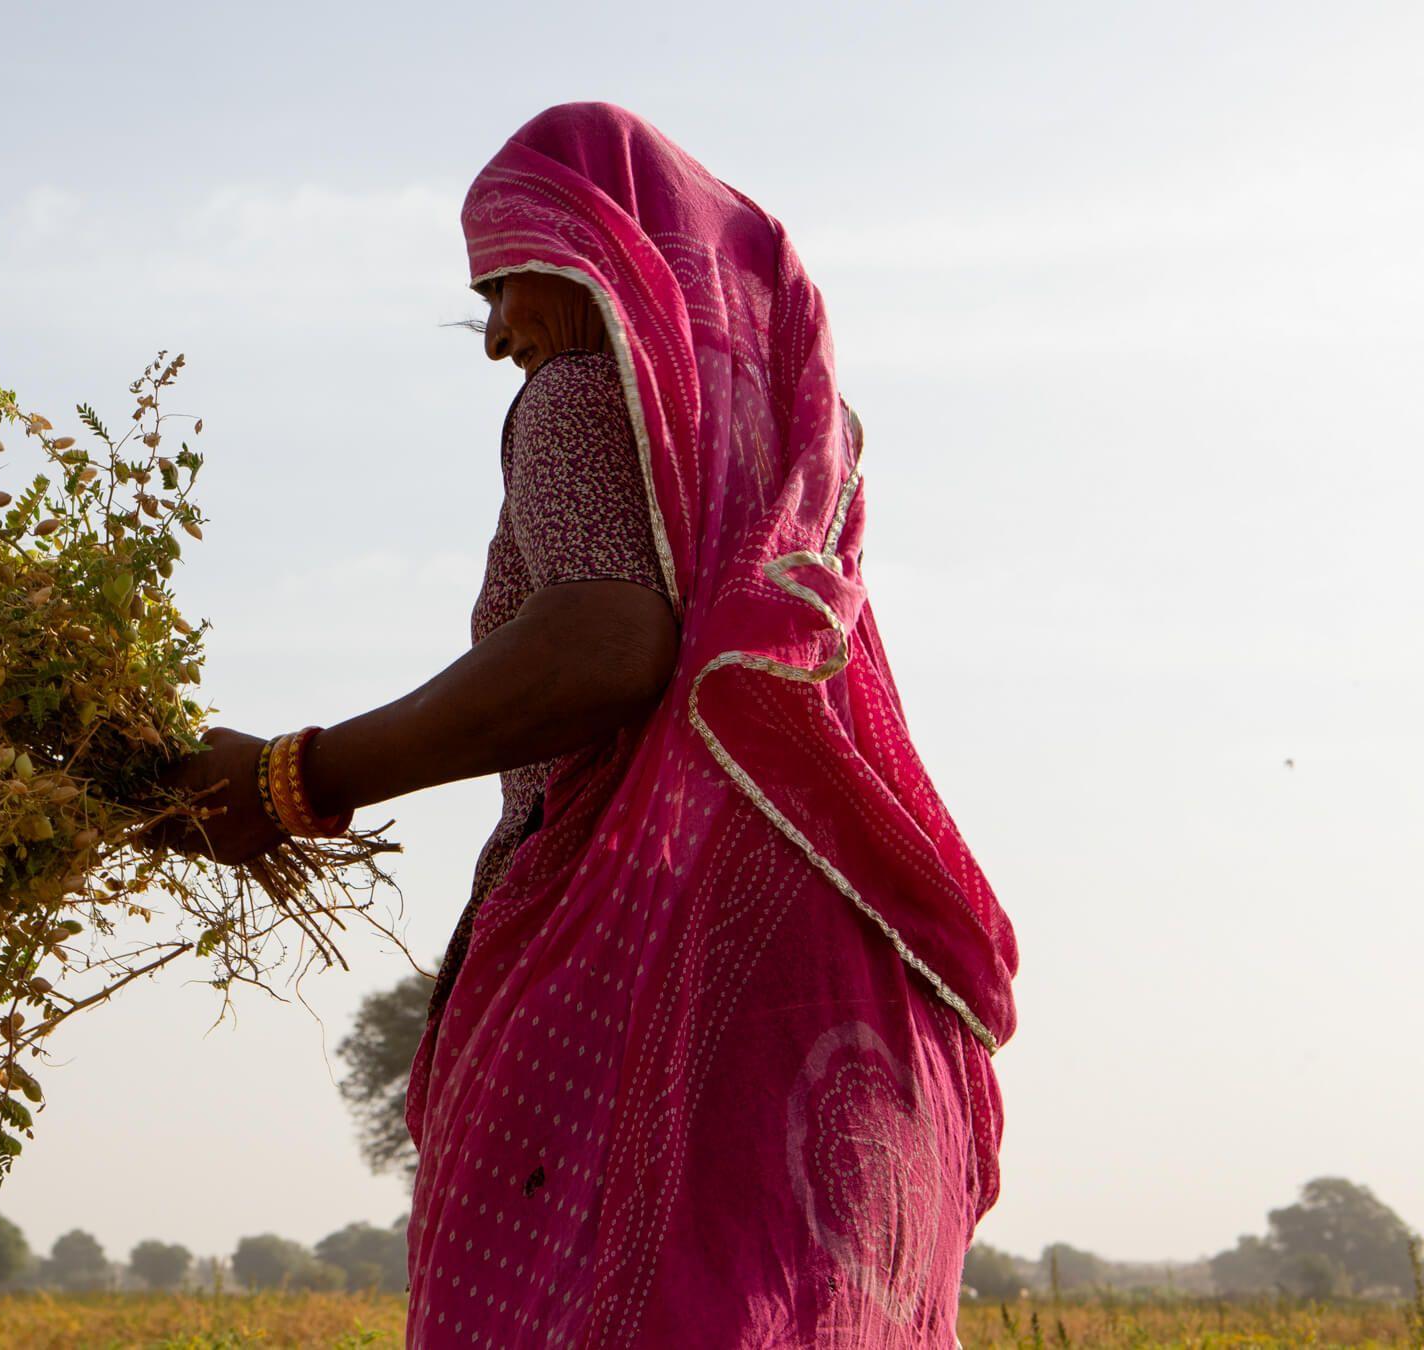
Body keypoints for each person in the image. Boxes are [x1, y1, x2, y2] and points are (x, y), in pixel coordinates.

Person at [159, 101, 1018, 1348]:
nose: (500, 337)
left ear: (603, 265)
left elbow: (605, 644)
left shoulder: (580, 394)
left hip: (652, 958)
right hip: (836, 974)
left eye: (511, 286)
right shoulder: (786, 459)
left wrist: (299, 779)